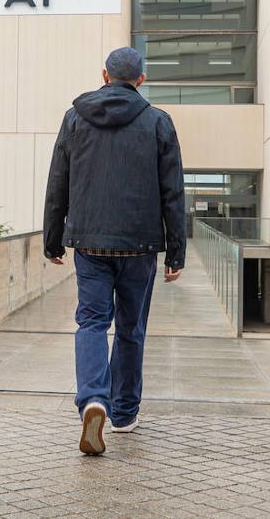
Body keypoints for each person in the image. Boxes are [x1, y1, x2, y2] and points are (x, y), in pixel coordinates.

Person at [42, 46, 186, 456]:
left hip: (88, 241)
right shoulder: (159, 122)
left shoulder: (74, 118)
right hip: (140, 245)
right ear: (140, 80)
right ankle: (123, 414)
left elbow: (58, 183)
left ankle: (92, 398)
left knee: (90, 323)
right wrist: (176, 252)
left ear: (104, 75)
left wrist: (53, 239)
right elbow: (173, 192)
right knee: (129, 329)